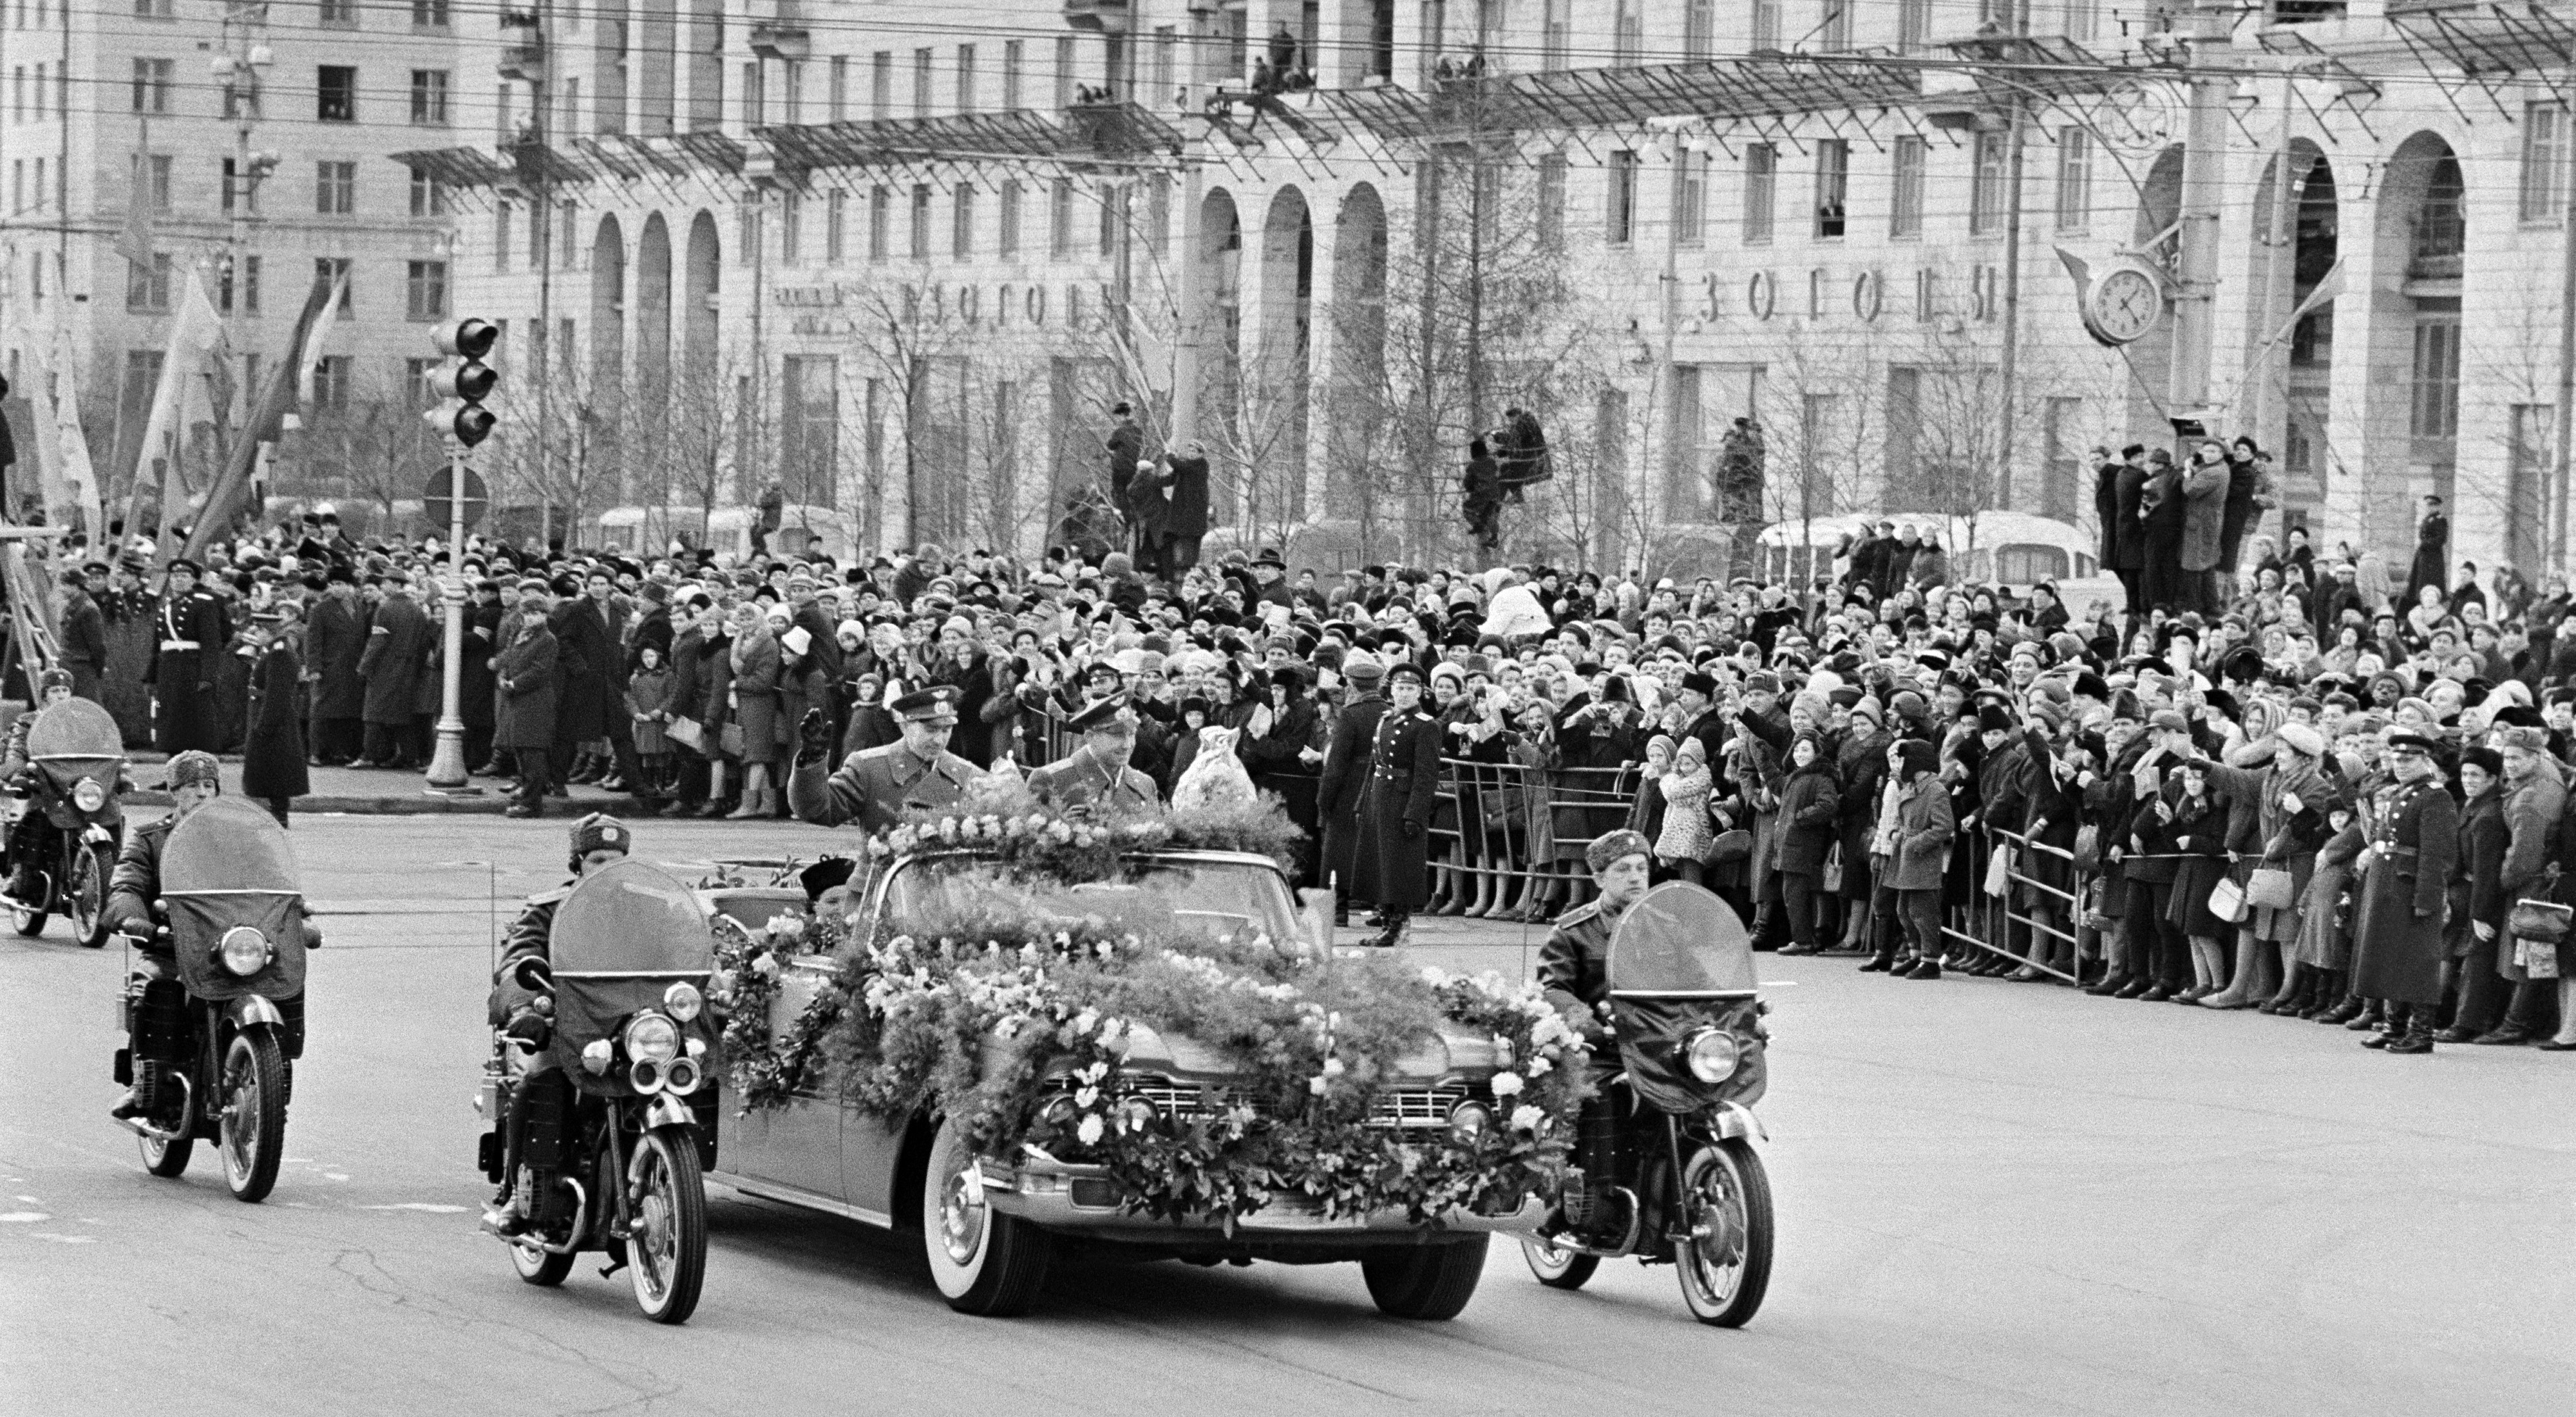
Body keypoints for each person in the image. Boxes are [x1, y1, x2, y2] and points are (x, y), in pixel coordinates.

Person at [480, 812, 633, 1236]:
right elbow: (517, 962)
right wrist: (525, 1008)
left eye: (617, 858)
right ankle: (517, 1190)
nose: (608, 868)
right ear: (578, 863)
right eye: (598, 859)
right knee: (542, 1080)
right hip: (567, 1025)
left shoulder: (647, 910)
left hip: (631, 1027)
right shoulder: (549, 910)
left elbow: (679, 951)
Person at [1536, 828, 1653, 1237]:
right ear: (1600, 878)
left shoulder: (1669, 926)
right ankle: (1594, 1204)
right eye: (1624, 870)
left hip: (1660, 1045)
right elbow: (1553, 988)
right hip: (1603, 1048)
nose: (1637, 878)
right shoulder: (1573, 930)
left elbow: (1703, 980)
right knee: (1599, 1094)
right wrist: (1590, 1027)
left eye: (1643, 868)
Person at [104, 750, 225, 1119]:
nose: (202, 794)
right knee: (158, 987)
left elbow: (273, 880)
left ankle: (268, 1067)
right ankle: (144, 1080)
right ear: (174, 792)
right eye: (192, 786)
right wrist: (133, 918)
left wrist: (297, 912)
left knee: (280, 982)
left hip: (232, 945)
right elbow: (126, 884)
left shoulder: (244, 836)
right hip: (172, 943)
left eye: (209, 786)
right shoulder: (150, 839)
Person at [2348, 731, 2458, 1055]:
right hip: (2388, 885)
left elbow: (2437, 853)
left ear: (2425, 761)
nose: (2401, 765)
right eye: (2396, 759)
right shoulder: (2403, 792)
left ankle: (2421, 1032)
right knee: (2389, 955)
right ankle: (2394, 1026)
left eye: (2408, 760)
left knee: (2417, 961)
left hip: (2411, 886)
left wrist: (2428, 898)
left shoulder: (2435, 796)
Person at [788, 686, 982, 832]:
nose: (939, 740)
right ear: (904, 726)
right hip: (881, 882)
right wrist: (812, 760)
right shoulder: (867, 767)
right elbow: (819, 810)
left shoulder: (968, 775)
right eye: (930, 730)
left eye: (946, 730)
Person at [1349, 661, 1443, 948]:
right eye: (1400, 688)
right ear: (1391, 689)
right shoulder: (1386, 720)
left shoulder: (1426, 727)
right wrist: (1362, 803)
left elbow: (1426, 775)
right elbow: (1374, 766)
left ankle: (1398, 926)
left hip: (1402, 800)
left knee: (1399, 866)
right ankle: (1386, 921)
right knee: (1380, 864)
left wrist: (1415, 813)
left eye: (1410, 689)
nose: (1404, 694)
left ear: (1420, 693)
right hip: (1380, 796)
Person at [1316, 652, 1388, 924]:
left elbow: (1336, 764)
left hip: (1350, 787)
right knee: (1376, 846)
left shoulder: (1351, 715)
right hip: (1380, 783)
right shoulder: (1390, 712)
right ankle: (1384, 908)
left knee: (1339, 850)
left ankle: (1338, 910)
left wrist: (1324, 799)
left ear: (1352, 684)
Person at [3, 669, 80, 900]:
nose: (61, 695)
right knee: (37, 816)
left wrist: (120, 767)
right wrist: (18, 768)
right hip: (45, 784)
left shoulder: (81, 722)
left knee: (108, 811)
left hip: (76, 786)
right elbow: (16, 749)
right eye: (55, 691)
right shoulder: (30, 722)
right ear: (45, 695)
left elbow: (102, 745)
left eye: (65, 690)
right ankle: (19, 872)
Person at [1027, 693, 1159, 814]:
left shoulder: (1145, 785)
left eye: (1131, 734)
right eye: (1116, 735)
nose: (1127, 745)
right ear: (1090, 737)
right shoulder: (1051, 780)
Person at [147, 557, 228, 755]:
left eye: (184, 576)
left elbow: (212, 643)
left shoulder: (203, 603)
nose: (179, 580)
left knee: (194, 723)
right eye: (175, 576)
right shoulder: (166, 605)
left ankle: (199, 771)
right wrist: (150, 676)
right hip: (168, 669)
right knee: (170, 722)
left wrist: (207, 676)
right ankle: (173, 773)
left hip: (191, 669)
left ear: (193, 580)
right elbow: (158, 645)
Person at [240, 608, 309, 828]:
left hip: (273, 718)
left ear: (267, 631)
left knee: (276, 768)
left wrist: (266, 723)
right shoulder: (271, 650)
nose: (255, 634)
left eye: (258, 630)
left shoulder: (278, 653)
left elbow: (277, 692)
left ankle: (279, 813)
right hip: (266, 713)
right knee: (268, 767)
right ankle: (274, 811)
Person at [495, 608, 561, 819]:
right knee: (522, 750)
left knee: (533, 751)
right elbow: (509, 661)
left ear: (544, 615)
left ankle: (532, 803)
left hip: (536, 701)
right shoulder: (520, 635)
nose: (531, 617)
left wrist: (514, 683)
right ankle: (526, 796)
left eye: (536, 613)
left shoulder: (547, 640)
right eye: (528, 613)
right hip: (518, 699)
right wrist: (503, 677)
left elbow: (541, 671)